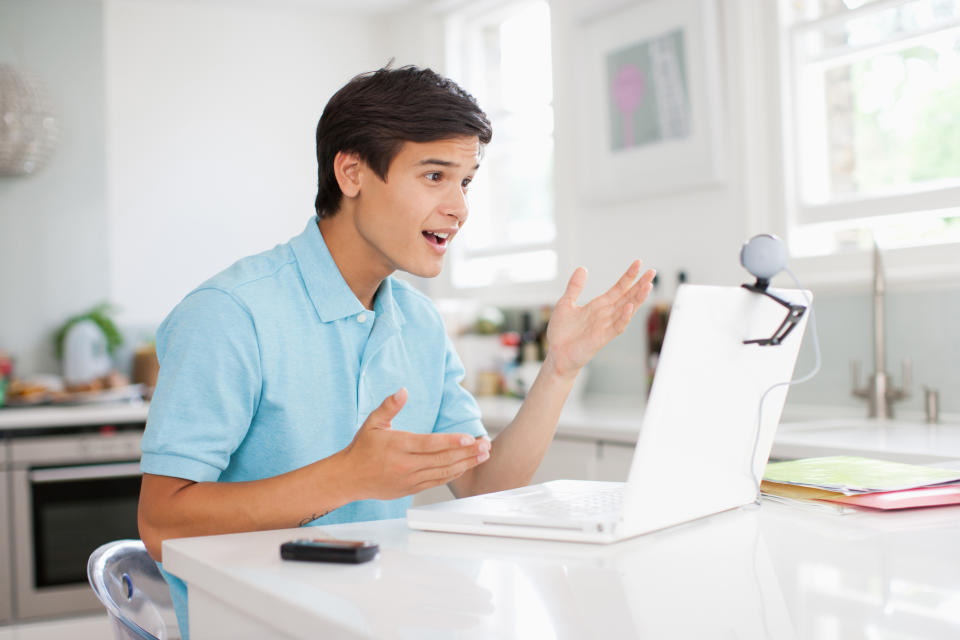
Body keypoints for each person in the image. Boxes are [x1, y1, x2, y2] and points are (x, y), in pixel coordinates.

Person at [137, 64, 655, 638]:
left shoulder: (419, 321)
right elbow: (162, 524)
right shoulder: (230, 314)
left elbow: (483, 487)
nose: (459, 208)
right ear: (352, 172)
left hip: (379, 621)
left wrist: (561, 369)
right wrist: (349, 476)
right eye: (435, 176)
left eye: (466, 182)